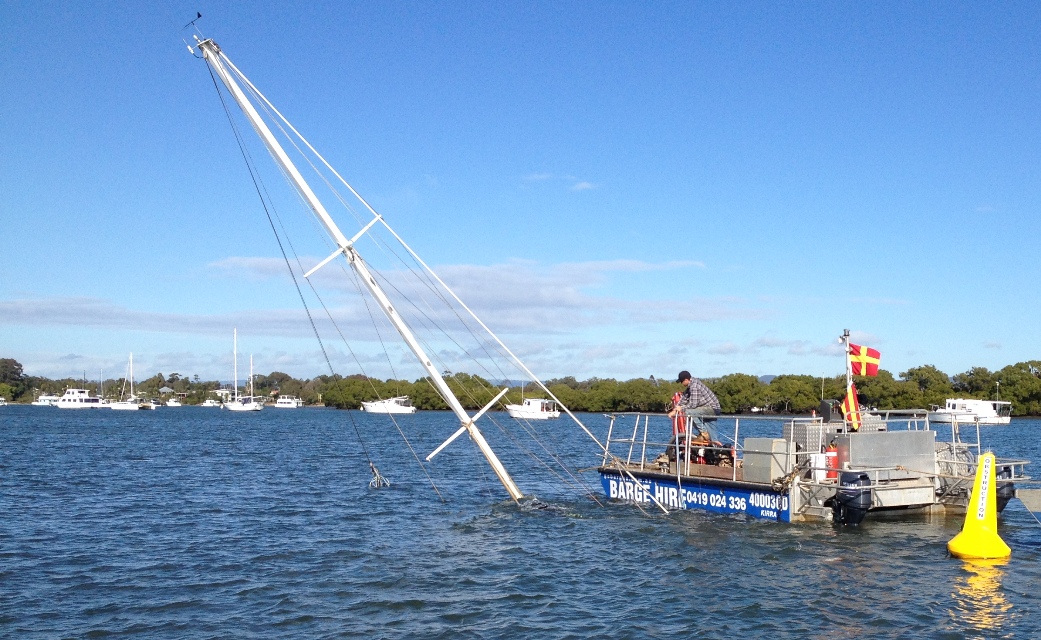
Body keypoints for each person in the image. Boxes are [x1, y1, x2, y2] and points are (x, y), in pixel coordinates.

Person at [668, 370, 721, 442]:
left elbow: (693, 405)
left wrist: (681, 408)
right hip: (708, 408)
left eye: (681, 381)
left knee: (689, 412)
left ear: (686, 380)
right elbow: (684, 398)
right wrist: (675, 410)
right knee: (713, 438)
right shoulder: (691, 385)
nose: (681, 383)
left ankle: (704, 433)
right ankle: (715, 449)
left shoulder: (694, 386)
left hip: (712, 409)